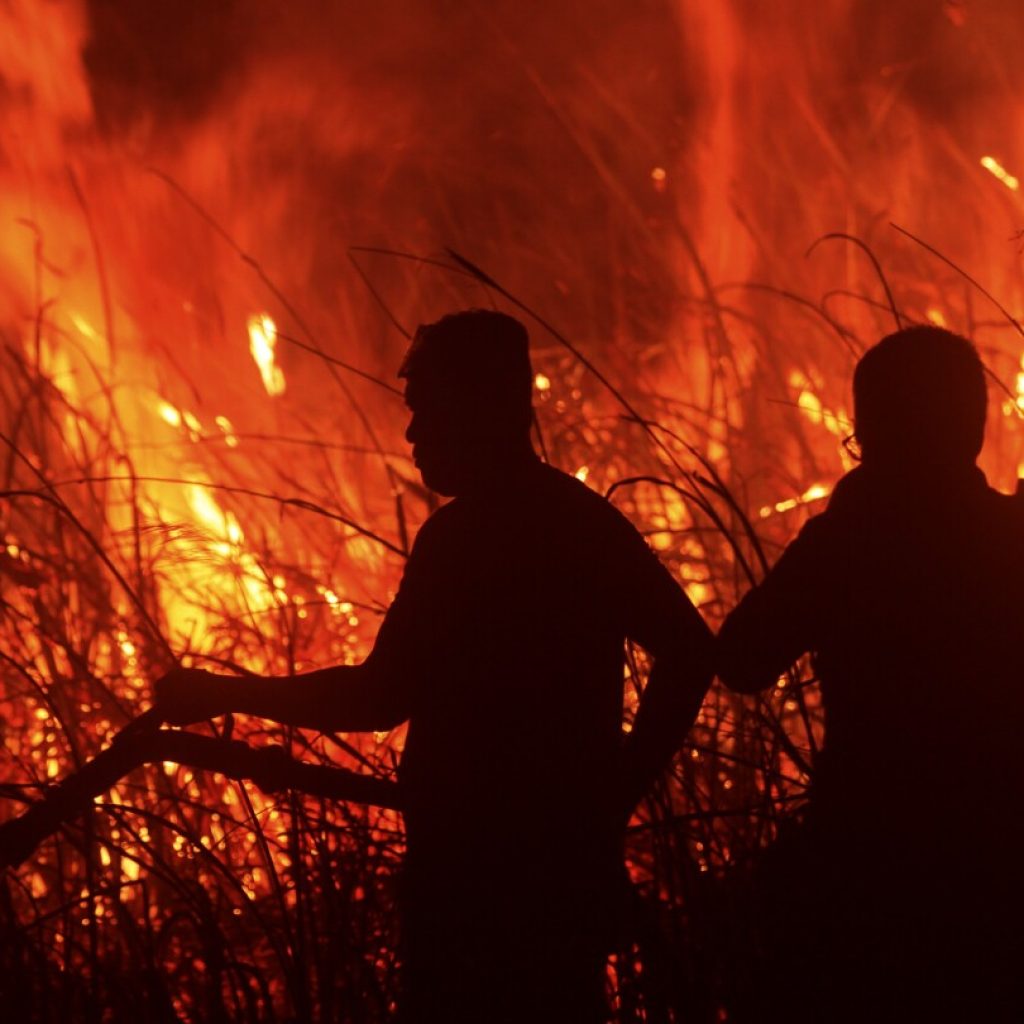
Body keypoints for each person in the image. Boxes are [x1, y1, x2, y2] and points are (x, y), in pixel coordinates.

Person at [155, 309, 714, 1022]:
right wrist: (612, 791)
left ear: (487, 406)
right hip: (557, 873)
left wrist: (222, 692)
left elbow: (377, 698)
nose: (413, 434)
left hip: (473, 882)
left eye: (429, 410)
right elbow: (691, 651)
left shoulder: (464, 539)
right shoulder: (578, 520)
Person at [717, 325, 1024, 1021]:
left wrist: (845, 513)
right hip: (1000, 859)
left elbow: (741, 659)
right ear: (974, 430)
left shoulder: (848, 544)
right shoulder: (1011, 537)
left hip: (869, 853)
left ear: (875, 433)